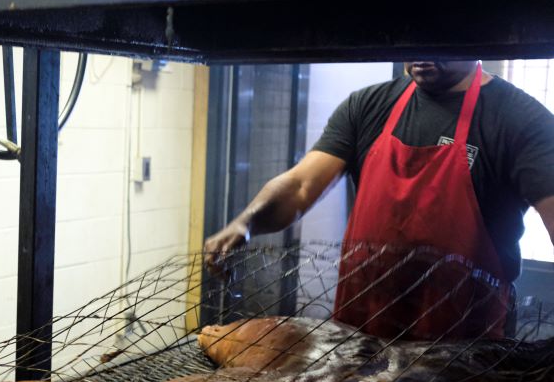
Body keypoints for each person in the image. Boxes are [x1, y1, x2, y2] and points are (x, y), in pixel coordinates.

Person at [204, 60, 554, 339]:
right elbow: (300, 185)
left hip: (465, 348)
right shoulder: (368, 106)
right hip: (364, 333)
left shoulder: (519, 119)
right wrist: (246, 222)